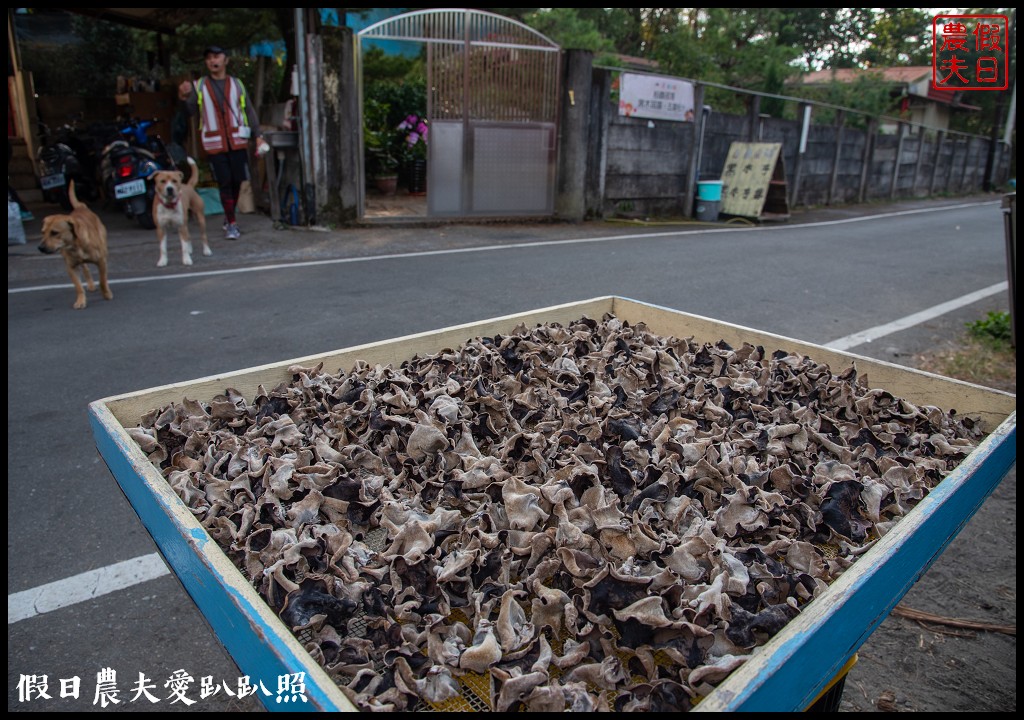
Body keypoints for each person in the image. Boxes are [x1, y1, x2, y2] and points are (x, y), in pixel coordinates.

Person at [178, 45, 268, 240]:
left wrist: (258, 134)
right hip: (214, 143)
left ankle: (229, 217)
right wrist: (184, 97)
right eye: (209, 58)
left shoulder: (237, 84)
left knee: (237, 180)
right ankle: (232, 223)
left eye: (216, 56)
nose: (212, 61)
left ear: (226, 60)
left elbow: (249, 111)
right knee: (224, 182)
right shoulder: (199, 85)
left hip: (237, 140)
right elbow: (189, 112)